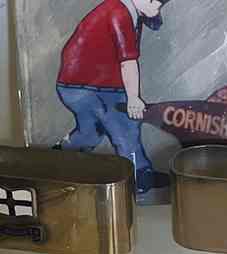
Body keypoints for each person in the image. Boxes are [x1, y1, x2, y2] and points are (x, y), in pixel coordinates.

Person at [56, 0, 170, 194]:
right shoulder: (119, 14)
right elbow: (128, 62)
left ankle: (57, 159)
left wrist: (152, 12)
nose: (156, 8)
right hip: (94, 86)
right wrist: (133, 98)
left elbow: (154, 23)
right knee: (126, 126)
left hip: (74, 84)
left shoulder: (121, 8)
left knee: (91, 131)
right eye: (155, 2)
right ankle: (138, 177)